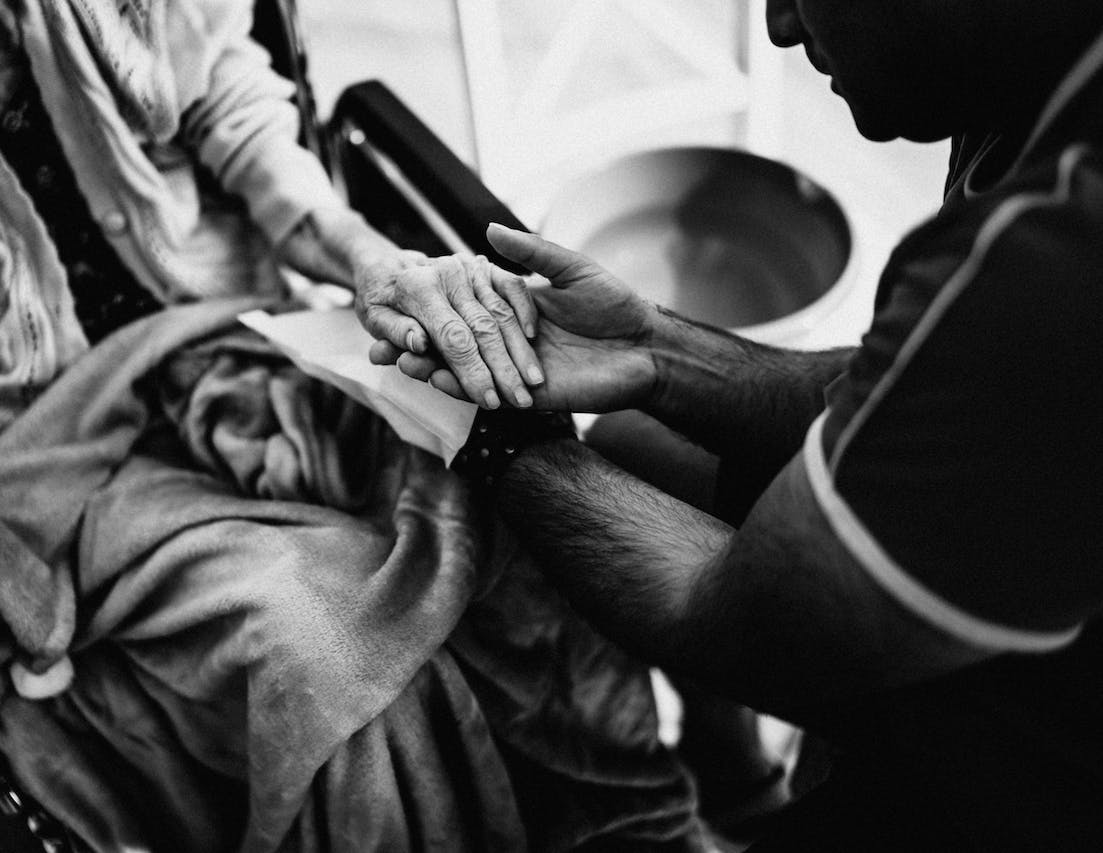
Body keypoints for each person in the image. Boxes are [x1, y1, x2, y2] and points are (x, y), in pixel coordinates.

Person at [0, 0, 712, 850]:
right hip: (46, 445)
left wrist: (371, 261)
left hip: (247, 327)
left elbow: (235, 111)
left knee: (522, 496)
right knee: (330, 665)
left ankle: (635, 826)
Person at [377, 0, 1103, 849]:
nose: (776, 29)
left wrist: (482, 425)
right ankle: (737, 774)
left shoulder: (1057, 246)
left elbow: (735, 620)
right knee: (636, 442)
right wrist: (655, 350)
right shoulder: (1016, 76)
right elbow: (914, 389)